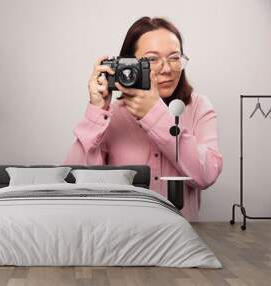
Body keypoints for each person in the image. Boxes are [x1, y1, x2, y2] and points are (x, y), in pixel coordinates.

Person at [63, 17, 223, 221]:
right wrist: (96, 110)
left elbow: (206, 175)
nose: (167, 69)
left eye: (174, 57)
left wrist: (155, 115)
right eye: (151, 60)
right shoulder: (111, 116)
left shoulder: (199, 107)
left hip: (181, 237)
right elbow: (73, 181)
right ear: (129, 64)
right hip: (122, 236)